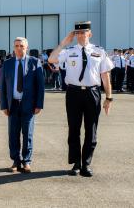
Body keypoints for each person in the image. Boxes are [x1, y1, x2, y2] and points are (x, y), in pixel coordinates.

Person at [48, 21, 114, 177]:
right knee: (74, 129)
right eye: (77, 33)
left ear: (89, 34)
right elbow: (51, 59)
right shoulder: (69, 50)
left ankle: (86, 163)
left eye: (83, 33)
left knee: (91, 130)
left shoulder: (99, 51)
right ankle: (76, 163)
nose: (80, 36)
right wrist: (64, 42)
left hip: (92, 93)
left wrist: (109, 98)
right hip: (73, 93)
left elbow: (105, 76)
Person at [0, 37, 44, 173]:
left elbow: (40, 86)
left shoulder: (35, 62)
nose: (19, 48)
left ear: (27, 47)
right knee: (13, 134)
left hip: (29, 105)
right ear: (13, 48)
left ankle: (26, 161)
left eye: (22, 46)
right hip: (12, 105)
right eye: (16, 46)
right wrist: (3, 105)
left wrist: (39, 104)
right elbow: (3, 86)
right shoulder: (7, 64)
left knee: (27, 134)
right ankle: (15, 161)